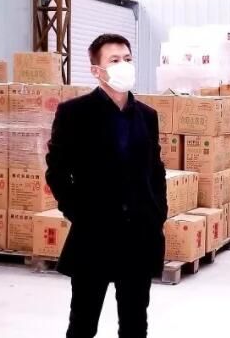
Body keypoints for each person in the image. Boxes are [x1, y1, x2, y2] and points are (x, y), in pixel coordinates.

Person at [46, 34, 167, 338]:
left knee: (135, 324)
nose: (123, 65)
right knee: (83, 323)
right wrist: (80, 214)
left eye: (127, 59)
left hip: (138, 235)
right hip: (94, 235)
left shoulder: (147, 116)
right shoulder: (75, 113)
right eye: (114, 60)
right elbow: (57, 171)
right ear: (96, 70)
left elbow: (155, 170)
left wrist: (157, 214)